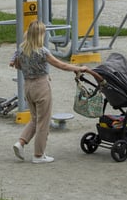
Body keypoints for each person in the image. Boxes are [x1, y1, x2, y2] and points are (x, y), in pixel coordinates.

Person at [10, 20, 90, 164]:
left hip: (27, 86)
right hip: (41, 86)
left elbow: (18, 66)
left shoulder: (21, 50)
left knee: (35, 119)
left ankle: (21, 143)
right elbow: (61, 65)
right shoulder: (42, 52)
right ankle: (38, 155)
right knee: (43, 122)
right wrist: (78, 68)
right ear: (40, 35)